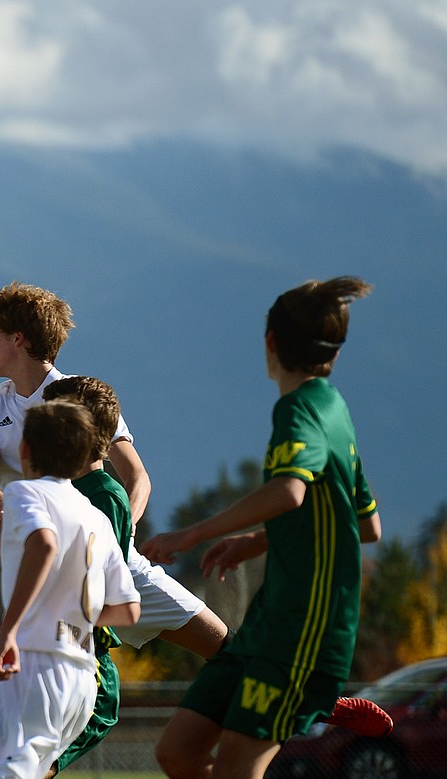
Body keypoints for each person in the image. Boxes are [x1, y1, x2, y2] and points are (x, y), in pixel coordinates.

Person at [140, 277, 382, 779]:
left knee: (235, 767)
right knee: (178, 752)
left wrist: (191, 534)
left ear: (270, 341)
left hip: (303, 629)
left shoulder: (300, 410)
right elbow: (365, 524)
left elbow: (290, 491)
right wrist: (257, 541)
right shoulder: (332, 407)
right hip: (264, 624)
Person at [0, 282, 230, 658]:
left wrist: (119, 528)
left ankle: (334, 709)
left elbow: (136, 477)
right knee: (27, 692)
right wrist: (6, 510)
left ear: (19, 338)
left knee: (226, 648)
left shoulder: (81, 395)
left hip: (117, 565)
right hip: (50, 570)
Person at [0, 400, 140, 778]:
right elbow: (128, 609)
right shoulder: (94, 514)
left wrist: (11, 632)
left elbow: (44, 543)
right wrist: (67, 614)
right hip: (81, 677)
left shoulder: (24, 494)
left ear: (24, 449)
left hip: (33, 665)